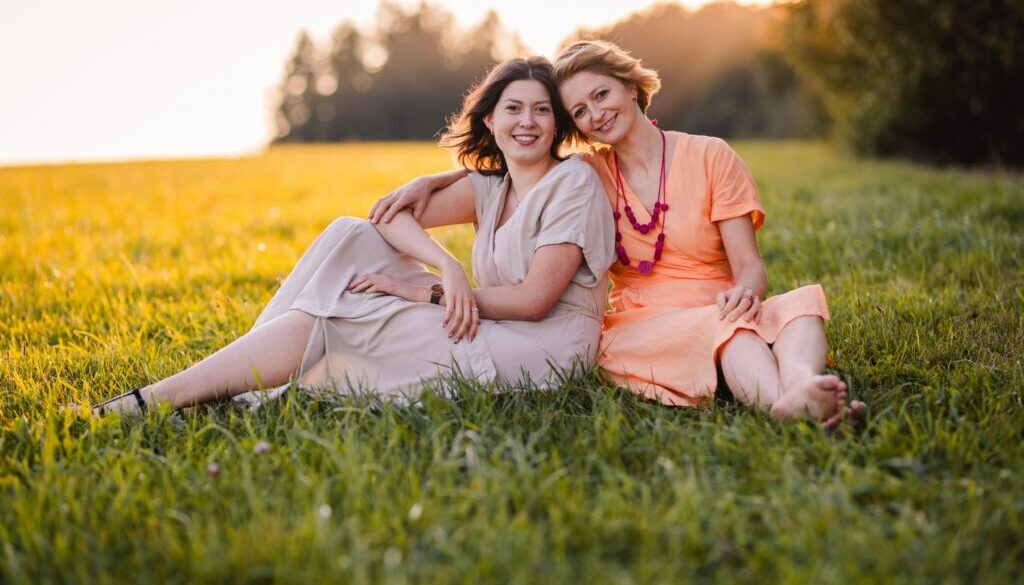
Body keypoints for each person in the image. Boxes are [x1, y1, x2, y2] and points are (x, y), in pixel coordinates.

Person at [371, 41, 865, 428]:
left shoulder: (711, 154)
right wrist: (429, 180)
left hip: (720, 299)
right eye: (580, 111)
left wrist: (746, 294)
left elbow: (750, 267)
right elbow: (507, 169)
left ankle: (802, 385)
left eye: (601, 94)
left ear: (630, 86)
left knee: (798, 311)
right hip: (640, 321)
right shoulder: (587, 176)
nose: (596, 113)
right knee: (732, 337)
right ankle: (784, 401)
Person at [89, 56, 614, 415]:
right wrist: (446, 263)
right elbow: (384, 216)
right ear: (492, 121)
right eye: (514, 109)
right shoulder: (489, 188)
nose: (528, 122)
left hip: (544, 348)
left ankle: (150, 402)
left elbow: (535, 301)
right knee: (351, 235)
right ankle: (223, 383)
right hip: (485, 319)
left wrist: (423, 291)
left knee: (341, 310)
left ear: (558, 123)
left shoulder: (573, 182)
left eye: (542, 110)